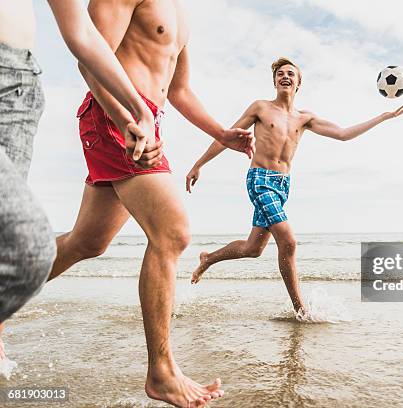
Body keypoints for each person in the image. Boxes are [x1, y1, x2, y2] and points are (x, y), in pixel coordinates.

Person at [43, 1, 258, 406]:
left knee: (87, 242)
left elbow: (178, 91)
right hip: (117, 116)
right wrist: (125, 118)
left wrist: (222, 133)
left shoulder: (181, 15)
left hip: (144, 122)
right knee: (173, 232)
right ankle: (161, 371)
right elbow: (89, 61)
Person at [1, 0, 159, 377]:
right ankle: (161, 372)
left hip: (19, 92)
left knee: (15, 245)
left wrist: (139, 111)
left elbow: (82, 33)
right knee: (26, 252)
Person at [187, 57, 403, 316]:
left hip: (283, 185)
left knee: (253, 249)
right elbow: (226, 136)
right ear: (274, 81)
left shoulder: (305, 118)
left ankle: (208, 258)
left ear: (298, 82)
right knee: (289, 242)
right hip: (259, 180)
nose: (285, 76)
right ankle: (301, 309)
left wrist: (381, 117)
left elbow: (343, 134)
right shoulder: (261, 108)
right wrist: (199, 164)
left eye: (291, 73)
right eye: (280, 73)